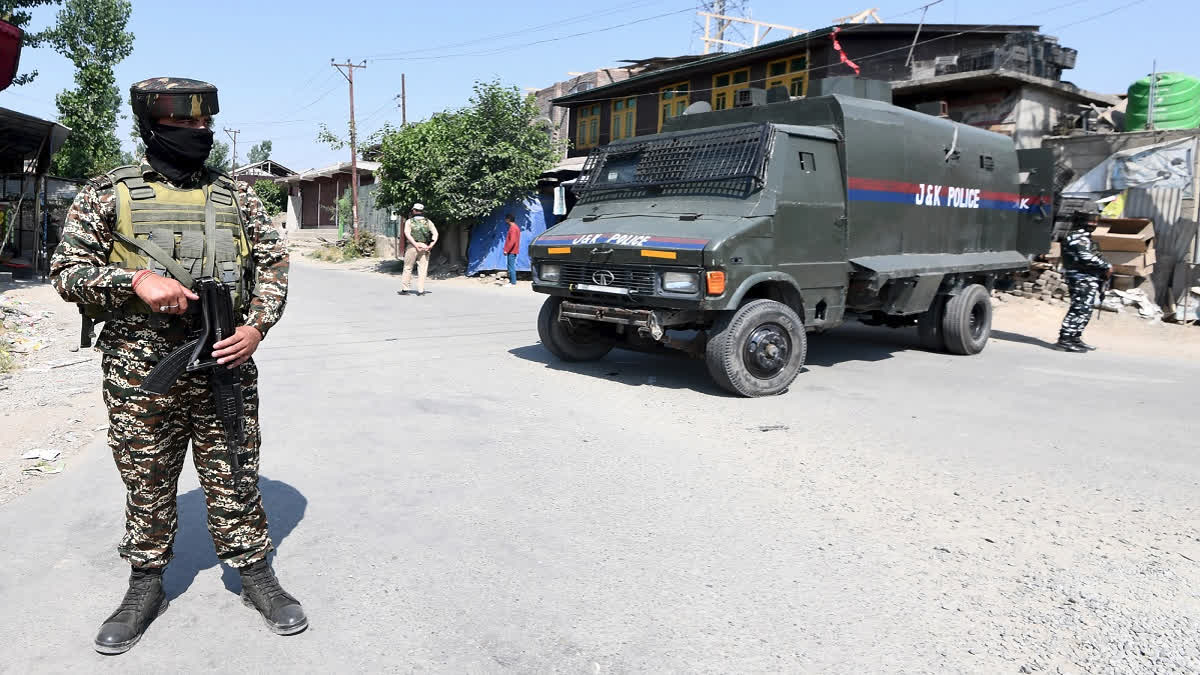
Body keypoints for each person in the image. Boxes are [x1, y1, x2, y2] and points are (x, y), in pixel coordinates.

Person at [50, 77, 306, 654]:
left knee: (236, 472)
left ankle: (255, 575)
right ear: (151, 128)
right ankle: (145, 584)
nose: (197, 134)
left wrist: (256, 327)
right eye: (181, 126)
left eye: (202, 125)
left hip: (225, 362)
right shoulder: (105, 193)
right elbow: (67, 272)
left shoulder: (237, 196)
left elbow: (273, 265)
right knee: (146, 482)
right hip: (142, 372)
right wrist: (133, 280)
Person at [1056, 210, 1113, 352]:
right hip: (1080, 278)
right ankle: (1065, 339)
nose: (1093, 223)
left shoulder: (1085, 237)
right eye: (1090, 220)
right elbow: (1085, 256)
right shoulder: (1076, 236)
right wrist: (1106, 266)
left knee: (1085, 309)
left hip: (1088, 277)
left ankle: (1075, 337)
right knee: (1078, 309)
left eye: (1095, 220)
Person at [399, 203, 438, 296]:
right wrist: (431, 245)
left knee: (408, 267)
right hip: (425, 246)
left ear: (414, 211)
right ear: (422, 211)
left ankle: (405, 289)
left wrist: (415, 244)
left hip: (412, 246)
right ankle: (421, 290)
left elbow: (407, 233)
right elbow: (435, 233)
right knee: (423, 269)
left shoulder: (409, 222)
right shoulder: (428, 222)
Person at [503, 213, 521, 286]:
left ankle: (512, 282)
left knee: (511, 267)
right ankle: (512, 281)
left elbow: (512, 241)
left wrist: (506, 250)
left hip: (511, 251)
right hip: (512, 250)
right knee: (510, 266)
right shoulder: (515, 227)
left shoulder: (513, 228)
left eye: (506, 219)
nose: (505, 220)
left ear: (508, 219)